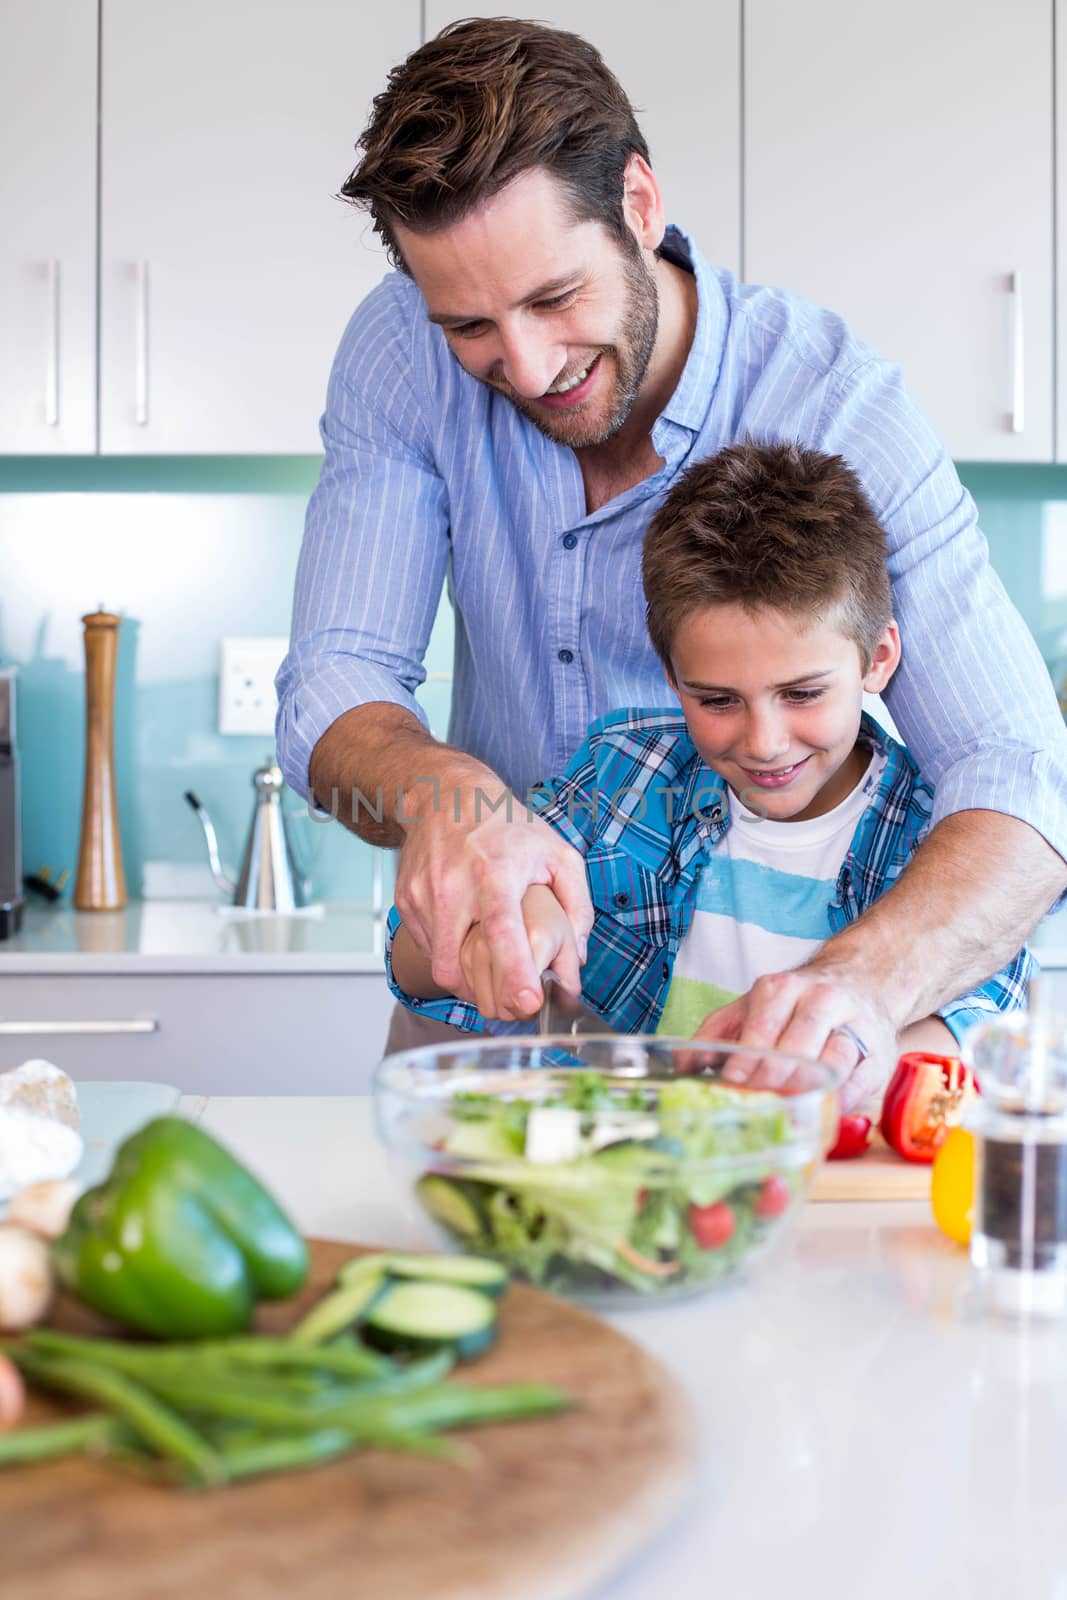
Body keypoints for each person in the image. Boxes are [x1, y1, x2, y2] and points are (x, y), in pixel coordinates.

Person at [275, 17, 1067, 1094]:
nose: (525, 363)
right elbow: (336, 680)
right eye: (469, 325)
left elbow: (1023, 775)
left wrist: (861, 985)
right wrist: (442, 799)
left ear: (639, 207)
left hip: (756, 1076)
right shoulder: (396, 349)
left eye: (555, 298)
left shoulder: (838, 404)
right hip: (491, 1022)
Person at [386, 443, 1034, 1102]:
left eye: (802, 693)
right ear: (672, 677)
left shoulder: (945, 842)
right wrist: (502, 924)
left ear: (876, 659)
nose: (764, 742)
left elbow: (976, 1031)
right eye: (717, 700)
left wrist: (807, 1070)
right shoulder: (622, 775)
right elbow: (410, 964)